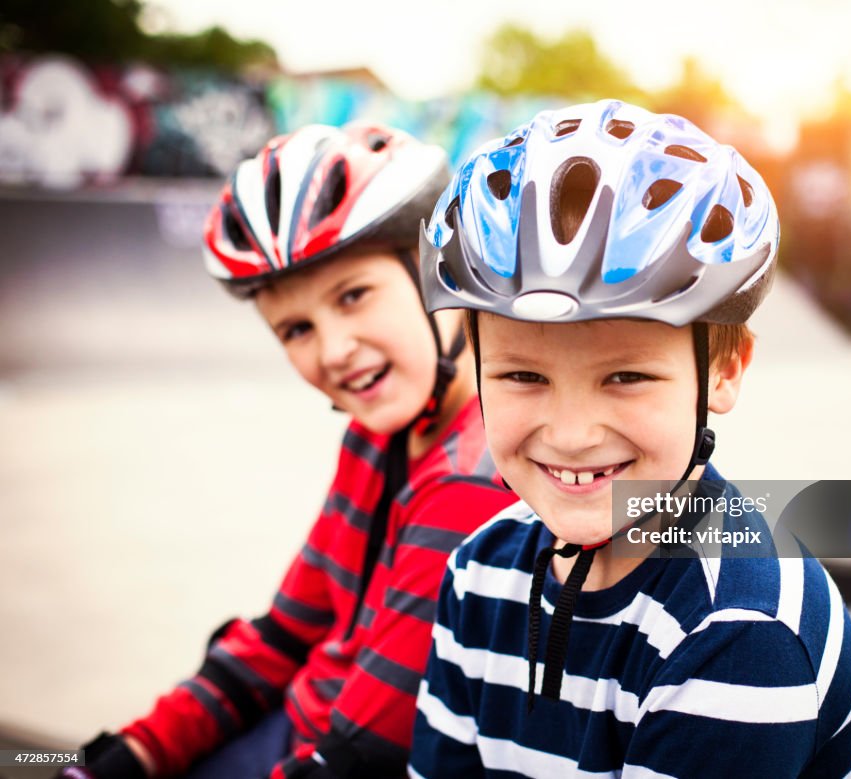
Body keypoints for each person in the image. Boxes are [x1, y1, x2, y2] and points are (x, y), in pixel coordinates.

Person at [410, 100, 851, 777]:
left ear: (723, 369)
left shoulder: (742, 630)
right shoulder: (480, 569)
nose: (570, 434)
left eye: (625, 375)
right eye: (522, 374)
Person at [64, 122, 516, 779]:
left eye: (353, 295)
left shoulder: (469, 481)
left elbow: (361, 755)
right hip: (290, 724)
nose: (333, 351)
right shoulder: (374, 435)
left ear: (439, 272)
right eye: (297, 329)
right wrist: (132, 752)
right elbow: (283, 632)